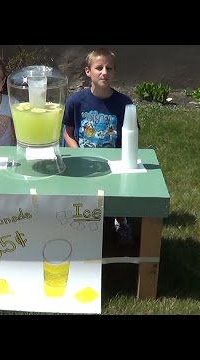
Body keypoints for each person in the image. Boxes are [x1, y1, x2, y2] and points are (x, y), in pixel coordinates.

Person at [62, 48, 140, 245]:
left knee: (117, 194)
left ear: (114, 72)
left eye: (109, 68)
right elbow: (67, 133)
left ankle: (120, 221)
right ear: (88, 71)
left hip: (113, 162)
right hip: (84, 161)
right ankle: (78, 221)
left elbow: (131, 136)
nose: (104, 72)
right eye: (99, 68)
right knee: (83, 198)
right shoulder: (76, 101)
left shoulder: (124, 103)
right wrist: (78, 152)